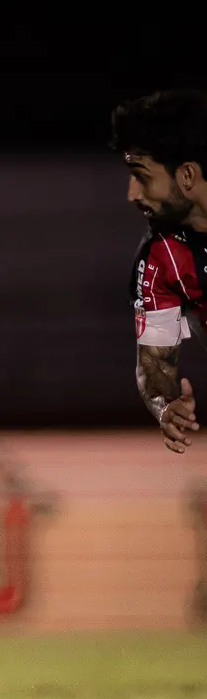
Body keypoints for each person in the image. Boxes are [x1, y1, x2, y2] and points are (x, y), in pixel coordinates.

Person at [116, 88, 207, 453]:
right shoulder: (160, 257)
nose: (132, 193)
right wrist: (165, 404)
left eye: (141, 175)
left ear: (186, 176)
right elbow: (155, 365)